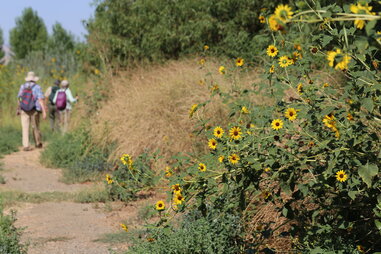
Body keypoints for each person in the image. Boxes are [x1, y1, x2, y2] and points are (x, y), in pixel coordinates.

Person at [17, 71, 47, 151]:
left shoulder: (22, 86)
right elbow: (40, 99)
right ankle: (37, 143)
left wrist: (19, 107)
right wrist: (44, 111)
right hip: (34, 109)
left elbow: (19, 97)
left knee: (25, 127)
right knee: (36, 127)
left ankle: (26, 145)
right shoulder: (37, 87)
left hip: (24, 109)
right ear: (34, 79)